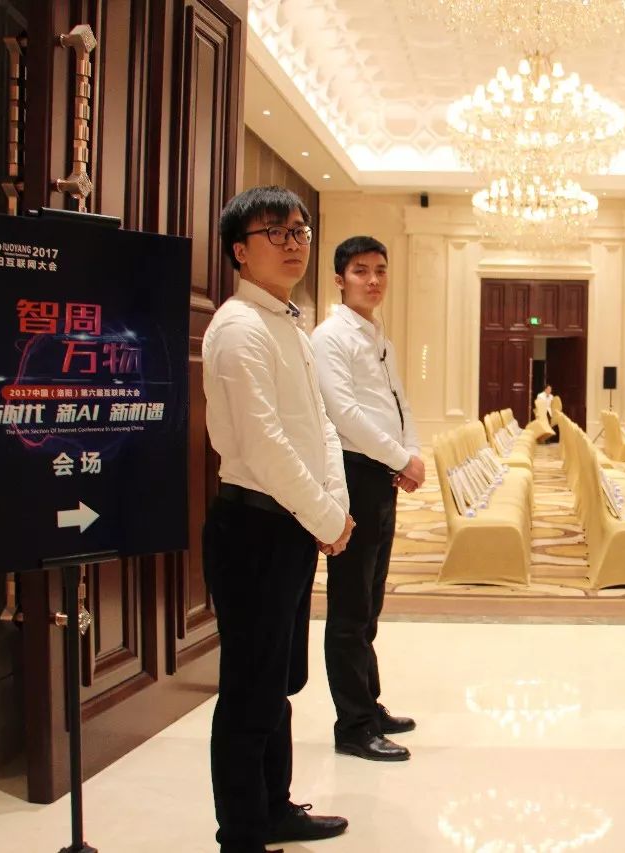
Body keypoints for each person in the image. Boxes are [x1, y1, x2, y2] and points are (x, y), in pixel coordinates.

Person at [202, 186, 354, 853]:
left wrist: (333, 508)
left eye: (300, 231)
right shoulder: (239, 327)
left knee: (278, 682)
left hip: (290, 523)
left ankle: (275, 807)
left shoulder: (288, 323)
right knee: (249, 689)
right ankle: (241, 833)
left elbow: (321, 424)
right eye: (276, 232)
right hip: (253, 528)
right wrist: (324, 515)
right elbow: (263, 443)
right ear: (240, 250)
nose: (294, 243)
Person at [312, 236, 422, 762]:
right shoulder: (330, 337)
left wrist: (411, 451)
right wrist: (400, 458)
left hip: (381, 474)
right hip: (355, 474)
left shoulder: (379, 336)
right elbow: (344, 413)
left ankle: (369, 706)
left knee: (371, 601)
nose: (373, 280)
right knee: (350, 607)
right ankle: (353, 726)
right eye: (361, 271)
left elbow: (398, 403)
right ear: (340, 279)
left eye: (380, 270)